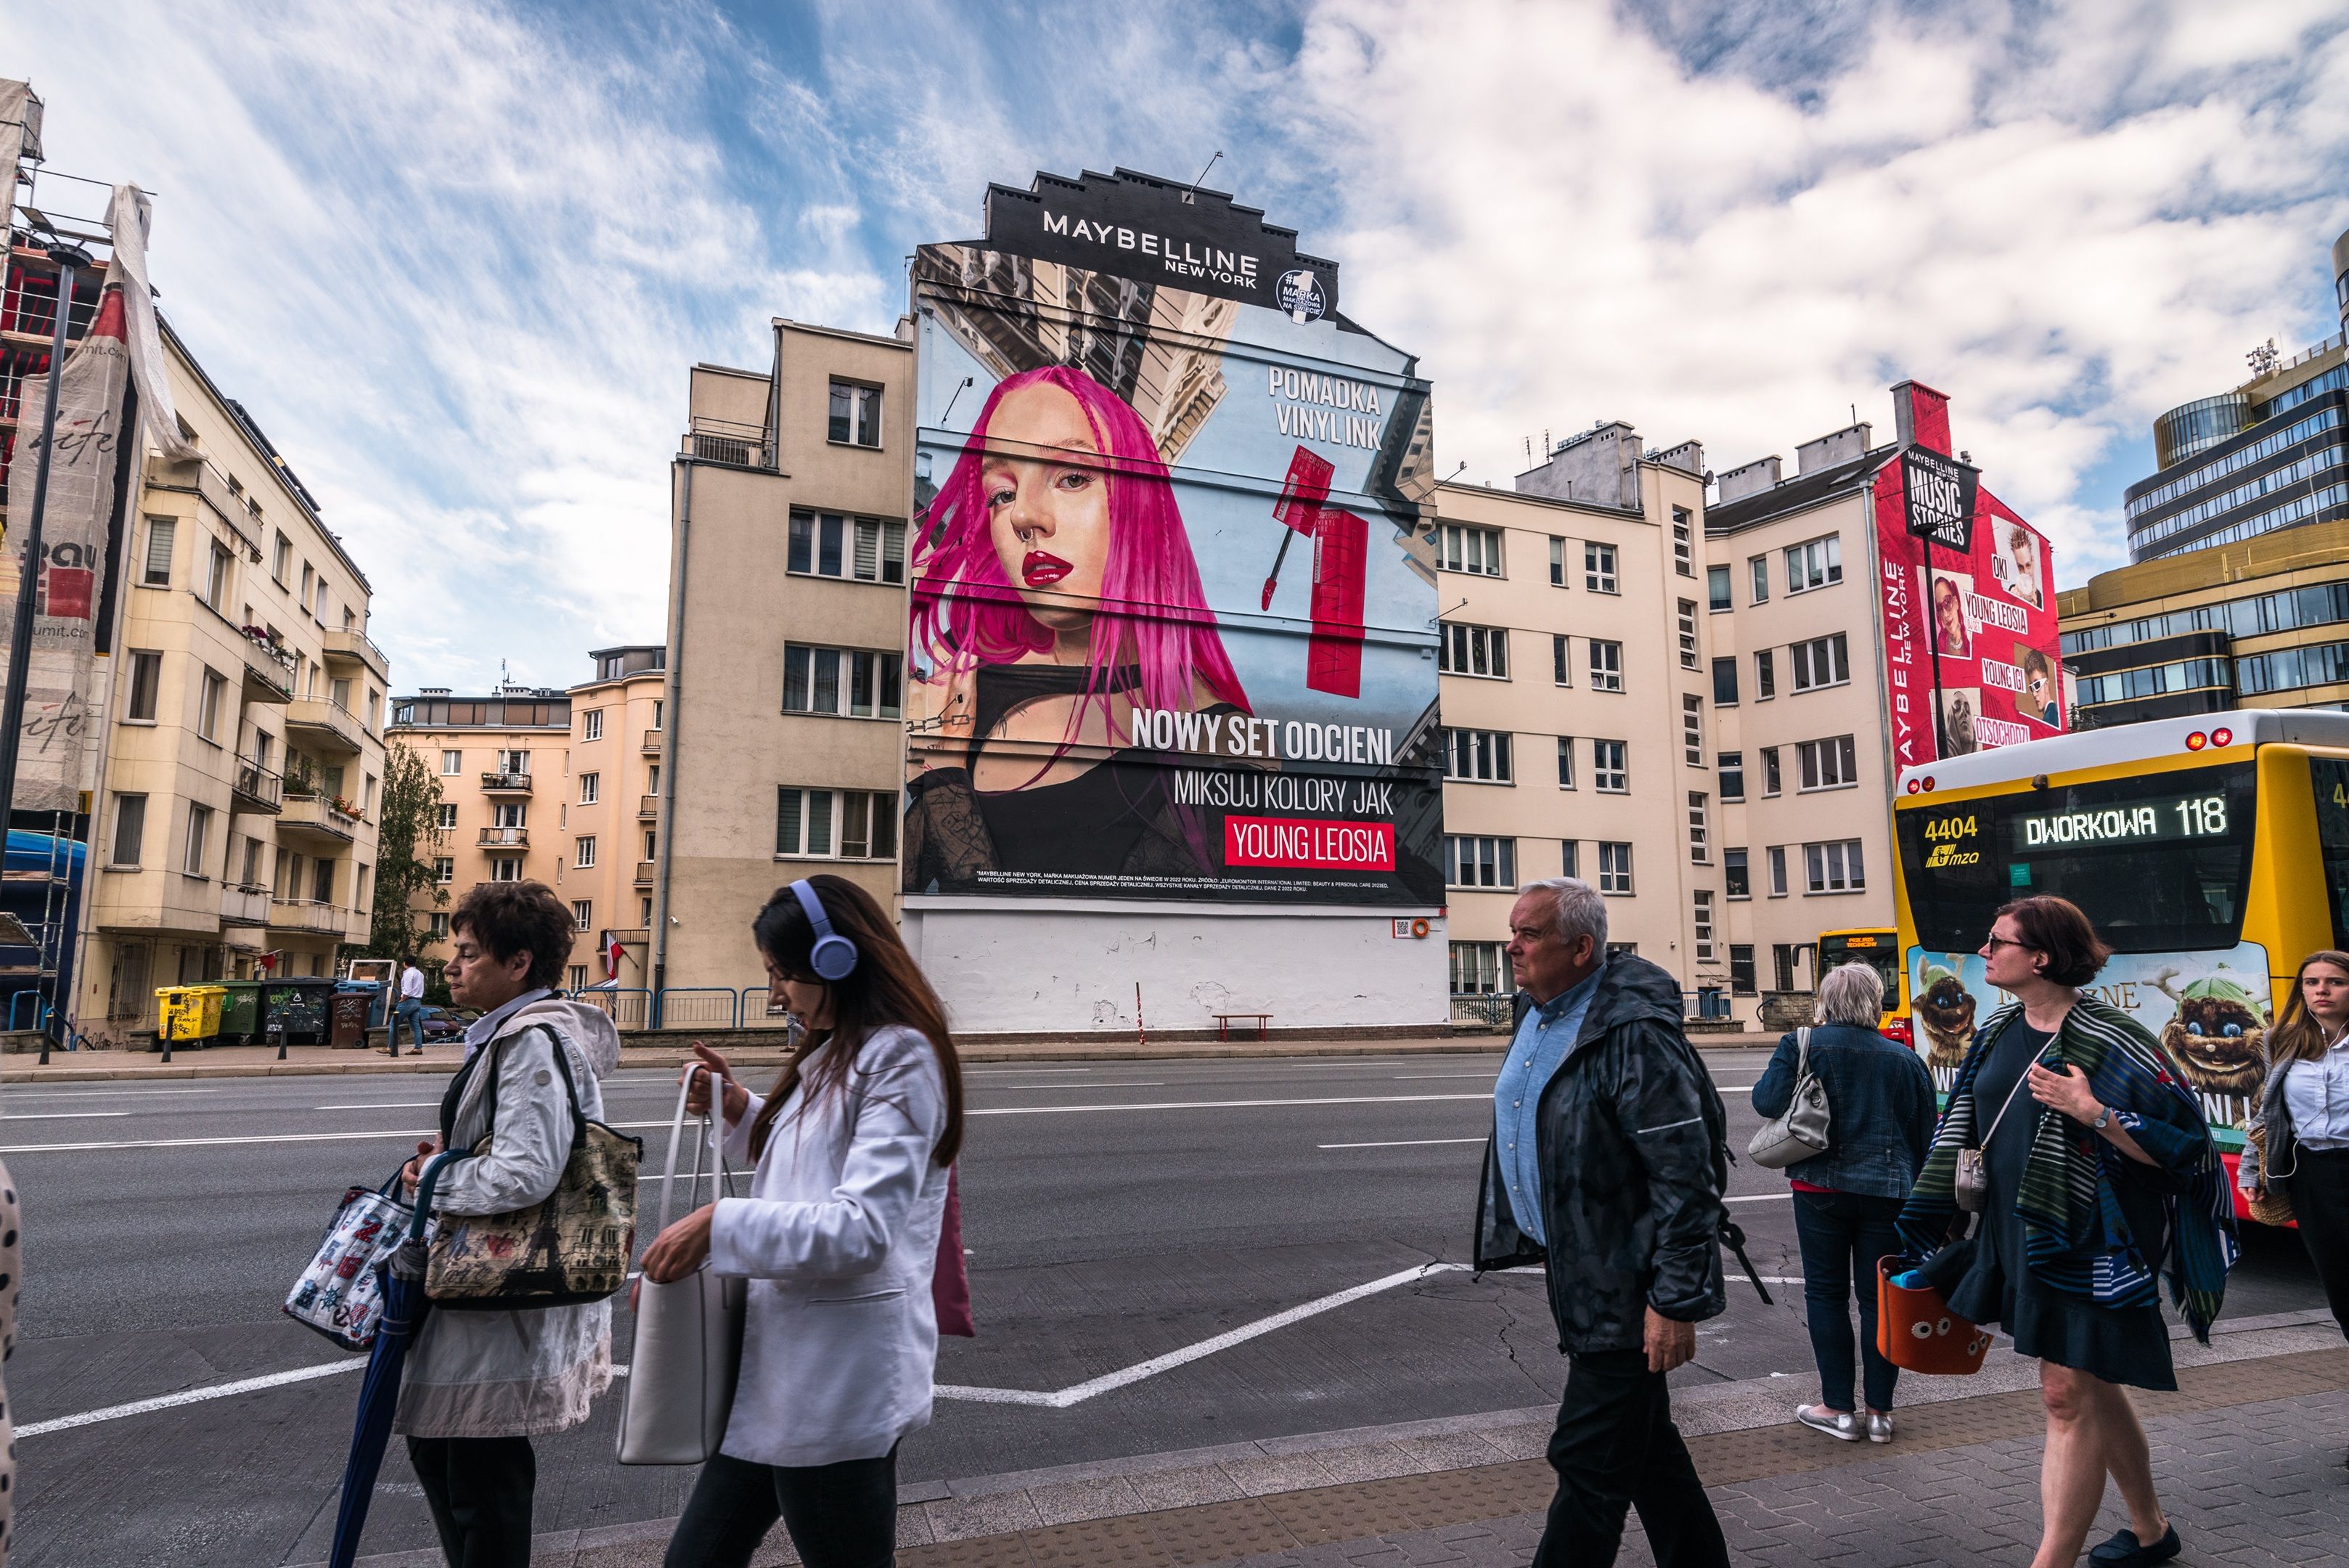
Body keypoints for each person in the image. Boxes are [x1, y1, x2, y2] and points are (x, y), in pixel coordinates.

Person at [1897, 896, 2236, 1568]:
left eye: (1998, 941)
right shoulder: (1996, 1030)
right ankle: (2149, 1530)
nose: (1984, 951)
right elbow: (1966, 1117)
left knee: (2063, 1392)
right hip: (2019, 1229)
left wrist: (2095, 1111)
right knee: (2091, 1381)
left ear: (2042, 957)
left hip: (2092, 1236)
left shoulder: (2113, 1038)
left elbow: (2186, 1145)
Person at [645, 874, 963, 1568]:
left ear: (836, 959)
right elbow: (812, 1161)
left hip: (835, 1386)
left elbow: (860, 1229)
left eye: (781, 974)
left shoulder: (900, 1057)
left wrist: (719, 1226)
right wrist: (739, 1109)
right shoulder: (836, 1051)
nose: (774, 994)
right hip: (783, 1374)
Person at [902, 364, 1251, 890]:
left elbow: (1089, 944)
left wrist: (944, 779)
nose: (1025, 516)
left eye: (1071, 478)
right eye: (1002, 493)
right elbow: (883, 916)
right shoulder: (964, 691)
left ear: (1139, 503)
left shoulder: (1220, 743)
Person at [1474, 878, 1731, 1568]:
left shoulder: (1632, 1034)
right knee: (1648, 1456)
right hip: (1577, 1268)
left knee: (1587, 1462)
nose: (1512, 947)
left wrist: (1674, 1300)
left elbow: (1686, 1175)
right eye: (1514, 932)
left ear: (1581, 948)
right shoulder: (1540, 1014)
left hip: (1628, 1279)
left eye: (1529, 935)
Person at [393, 881, 622, 1566]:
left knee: (478, 1479)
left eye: (467, 953)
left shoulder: (527, 1043)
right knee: (451, 1459)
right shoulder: (517, 1036)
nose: (452, 966)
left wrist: (437, 1181)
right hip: (492, 1296)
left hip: (498, 1295)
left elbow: (525, 1173)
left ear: (518, 963)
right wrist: (453, 1158)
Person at [1753, 963, 1935, 1444]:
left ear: (1825, 1001)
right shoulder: (1904, 1059)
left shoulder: (1801, 1044)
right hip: (1889, 1194)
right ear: (1875, 1003)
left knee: (1826, 1295)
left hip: (1819, 1190)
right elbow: (1925, 1137)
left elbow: (1767, 1103)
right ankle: (1879, 1415)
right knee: (1880, 1302)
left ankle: (1837, 1409)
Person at [2238, 950, 2349, 1361]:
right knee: (2337, 1282)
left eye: (2335, 982)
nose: (2322, 990)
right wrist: (2253, 1170)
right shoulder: (2281, 1039)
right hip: (2311, 1174)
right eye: (2312, 982)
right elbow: (2267, 1111)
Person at [393, 954, 427, 1056]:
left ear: (405, 963)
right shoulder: (420, 974)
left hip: (408, 1001)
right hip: (417, 1002)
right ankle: (418, 1048)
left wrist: (402, 1000)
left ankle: (391, 1047)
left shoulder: (408, 974)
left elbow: (407, 991)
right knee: (416, 1026)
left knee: (393, 1024)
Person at [2020, 647, 2061, 726]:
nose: (2034, 694)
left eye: (2037, 685)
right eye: (2031, 688)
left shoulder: (2050, 718)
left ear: (2046, 683)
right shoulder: (2051, 714)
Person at [1932, 574, 1971, 656]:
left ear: (1956, 601)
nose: (1945, 614)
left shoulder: (1970, 645)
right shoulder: (1941, 640)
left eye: (1947, 602)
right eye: (1940, 609)